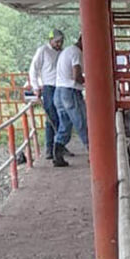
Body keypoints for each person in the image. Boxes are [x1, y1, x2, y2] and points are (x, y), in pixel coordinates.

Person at [27, 29, 68, 161]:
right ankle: (50, 148)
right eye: (57, 42)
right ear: (51, 40)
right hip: (49, 87)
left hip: (61, 86)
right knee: (51, 117)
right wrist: (35, 86)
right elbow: (33, 69)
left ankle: (59, 145)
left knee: (62, 116)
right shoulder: (43, 51)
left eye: (61, 41)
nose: (59, 44)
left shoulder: (62, 52)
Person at [52, 35, 89, 167]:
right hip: (70, 91)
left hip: (59, 91)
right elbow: (76, 75)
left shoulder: (67, 51)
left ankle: (57, 153)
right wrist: (89, 81)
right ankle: (93, 152)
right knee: (82, 122)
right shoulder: (76, 52)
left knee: (65, 124)